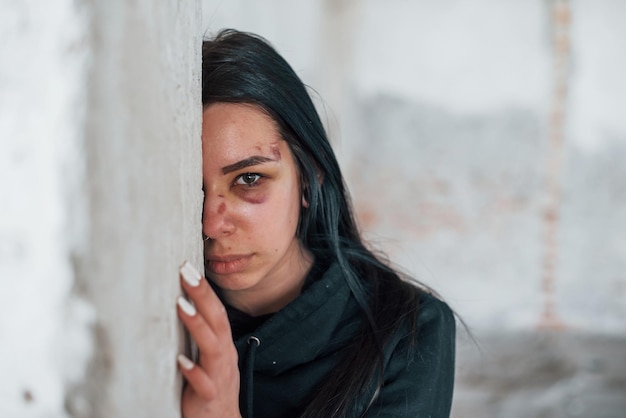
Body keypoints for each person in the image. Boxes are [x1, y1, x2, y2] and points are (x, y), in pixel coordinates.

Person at [175, 29, 456, 418]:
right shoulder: (169, 320)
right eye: (194, 190)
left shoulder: (409, 329)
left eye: (249, 179)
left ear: (309, 178)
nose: (211, 224)